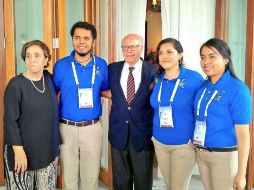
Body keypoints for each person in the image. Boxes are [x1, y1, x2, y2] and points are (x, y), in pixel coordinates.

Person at [52, 21, 108, 190]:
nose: (81, 42)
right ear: (72, 40)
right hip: (66, 127)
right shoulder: (60, 65)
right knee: (69, 176)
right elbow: (52, 95)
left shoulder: (102, 65)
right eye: (77, 37)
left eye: (86, 38)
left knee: (90, 176)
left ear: (93, 41)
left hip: (92, 128)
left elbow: (105, 90)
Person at [193, 38, 252, 190]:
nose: (206, 61)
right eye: (203, 57)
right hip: (202, 154)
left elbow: (243, 133)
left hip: (223, 156)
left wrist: (241, 172)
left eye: (212, 56)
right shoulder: (204, 86)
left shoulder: (238, 89)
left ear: (226, 59)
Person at [3, 40, 61, 190]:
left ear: (46, 59)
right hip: (22, 152)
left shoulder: (48, 79)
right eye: (28, 56)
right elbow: (10, 122)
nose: (32, 59)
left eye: (37, 55)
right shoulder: (15, 85)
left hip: (47, 151)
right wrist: (18, 151)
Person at [150, 38, 204, 190]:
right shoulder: (158, 79)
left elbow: (202, 110)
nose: (164, 56)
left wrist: (195, 138)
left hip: (183, 144)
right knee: (169, 185)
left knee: (178, 187)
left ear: (180, 55)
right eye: (161, 53)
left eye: (169, 52)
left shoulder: (194, 78)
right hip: (160, 142)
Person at [106, 34, 154, 190]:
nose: (129, 50)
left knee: (143, 181)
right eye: (125, 47)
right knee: (120, 181)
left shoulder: (153, 70)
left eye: (133, 46)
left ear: (141, 47)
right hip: (118, 133)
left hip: (142, 134)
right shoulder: (112, 69)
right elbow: (102, 89)